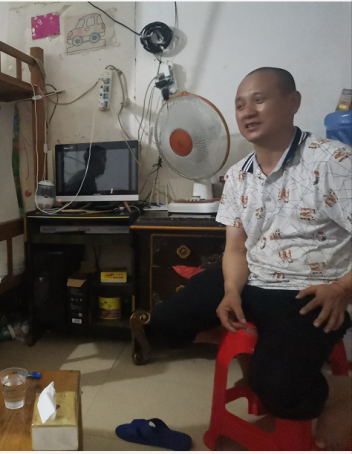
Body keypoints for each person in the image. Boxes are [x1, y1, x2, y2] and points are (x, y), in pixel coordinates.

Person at [150, 68, 352, 449]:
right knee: (165, 320)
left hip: (310, 291)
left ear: (292, 102)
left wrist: (343, 288)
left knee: (281, 388)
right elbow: (235, 248)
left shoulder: (334, 162)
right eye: (240, 105)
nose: (247, 112)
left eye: (259, 100)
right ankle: (255, 358)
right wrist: (230, 291)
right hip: (252, 279)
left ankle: (337, 391)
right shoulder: (238, 176)